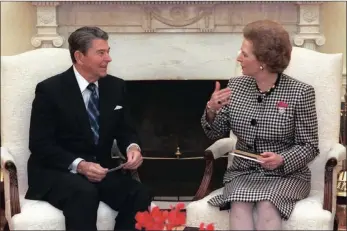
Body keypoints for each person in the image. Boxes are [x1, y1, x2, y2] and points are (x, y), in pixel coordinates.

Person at [25, 26, 152, 231]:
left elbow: (125, 130)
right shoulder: (50, 90)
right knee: (84, 193)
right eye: (101, 53)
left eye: (108, 51)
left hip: (101, 169)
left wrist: (132, 148)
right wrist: (80, 165)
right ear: (79, 56)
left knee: (140, 193)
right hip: (58, 171)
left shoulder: (115, 87)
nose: (108, 58)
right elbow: (40, 144)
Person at [201, 20, 319, 230]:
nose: (238, 58)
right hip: (244, 172)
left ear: (263, 60)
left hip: (287, 174)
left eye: (245, 54)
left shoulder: (300, 93)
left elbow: (309, 146)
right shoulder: (236, 85)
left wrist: (282, 159)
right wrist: (211, 109)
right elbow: (216, 133)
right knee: (239, 203)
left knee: (267, 204)